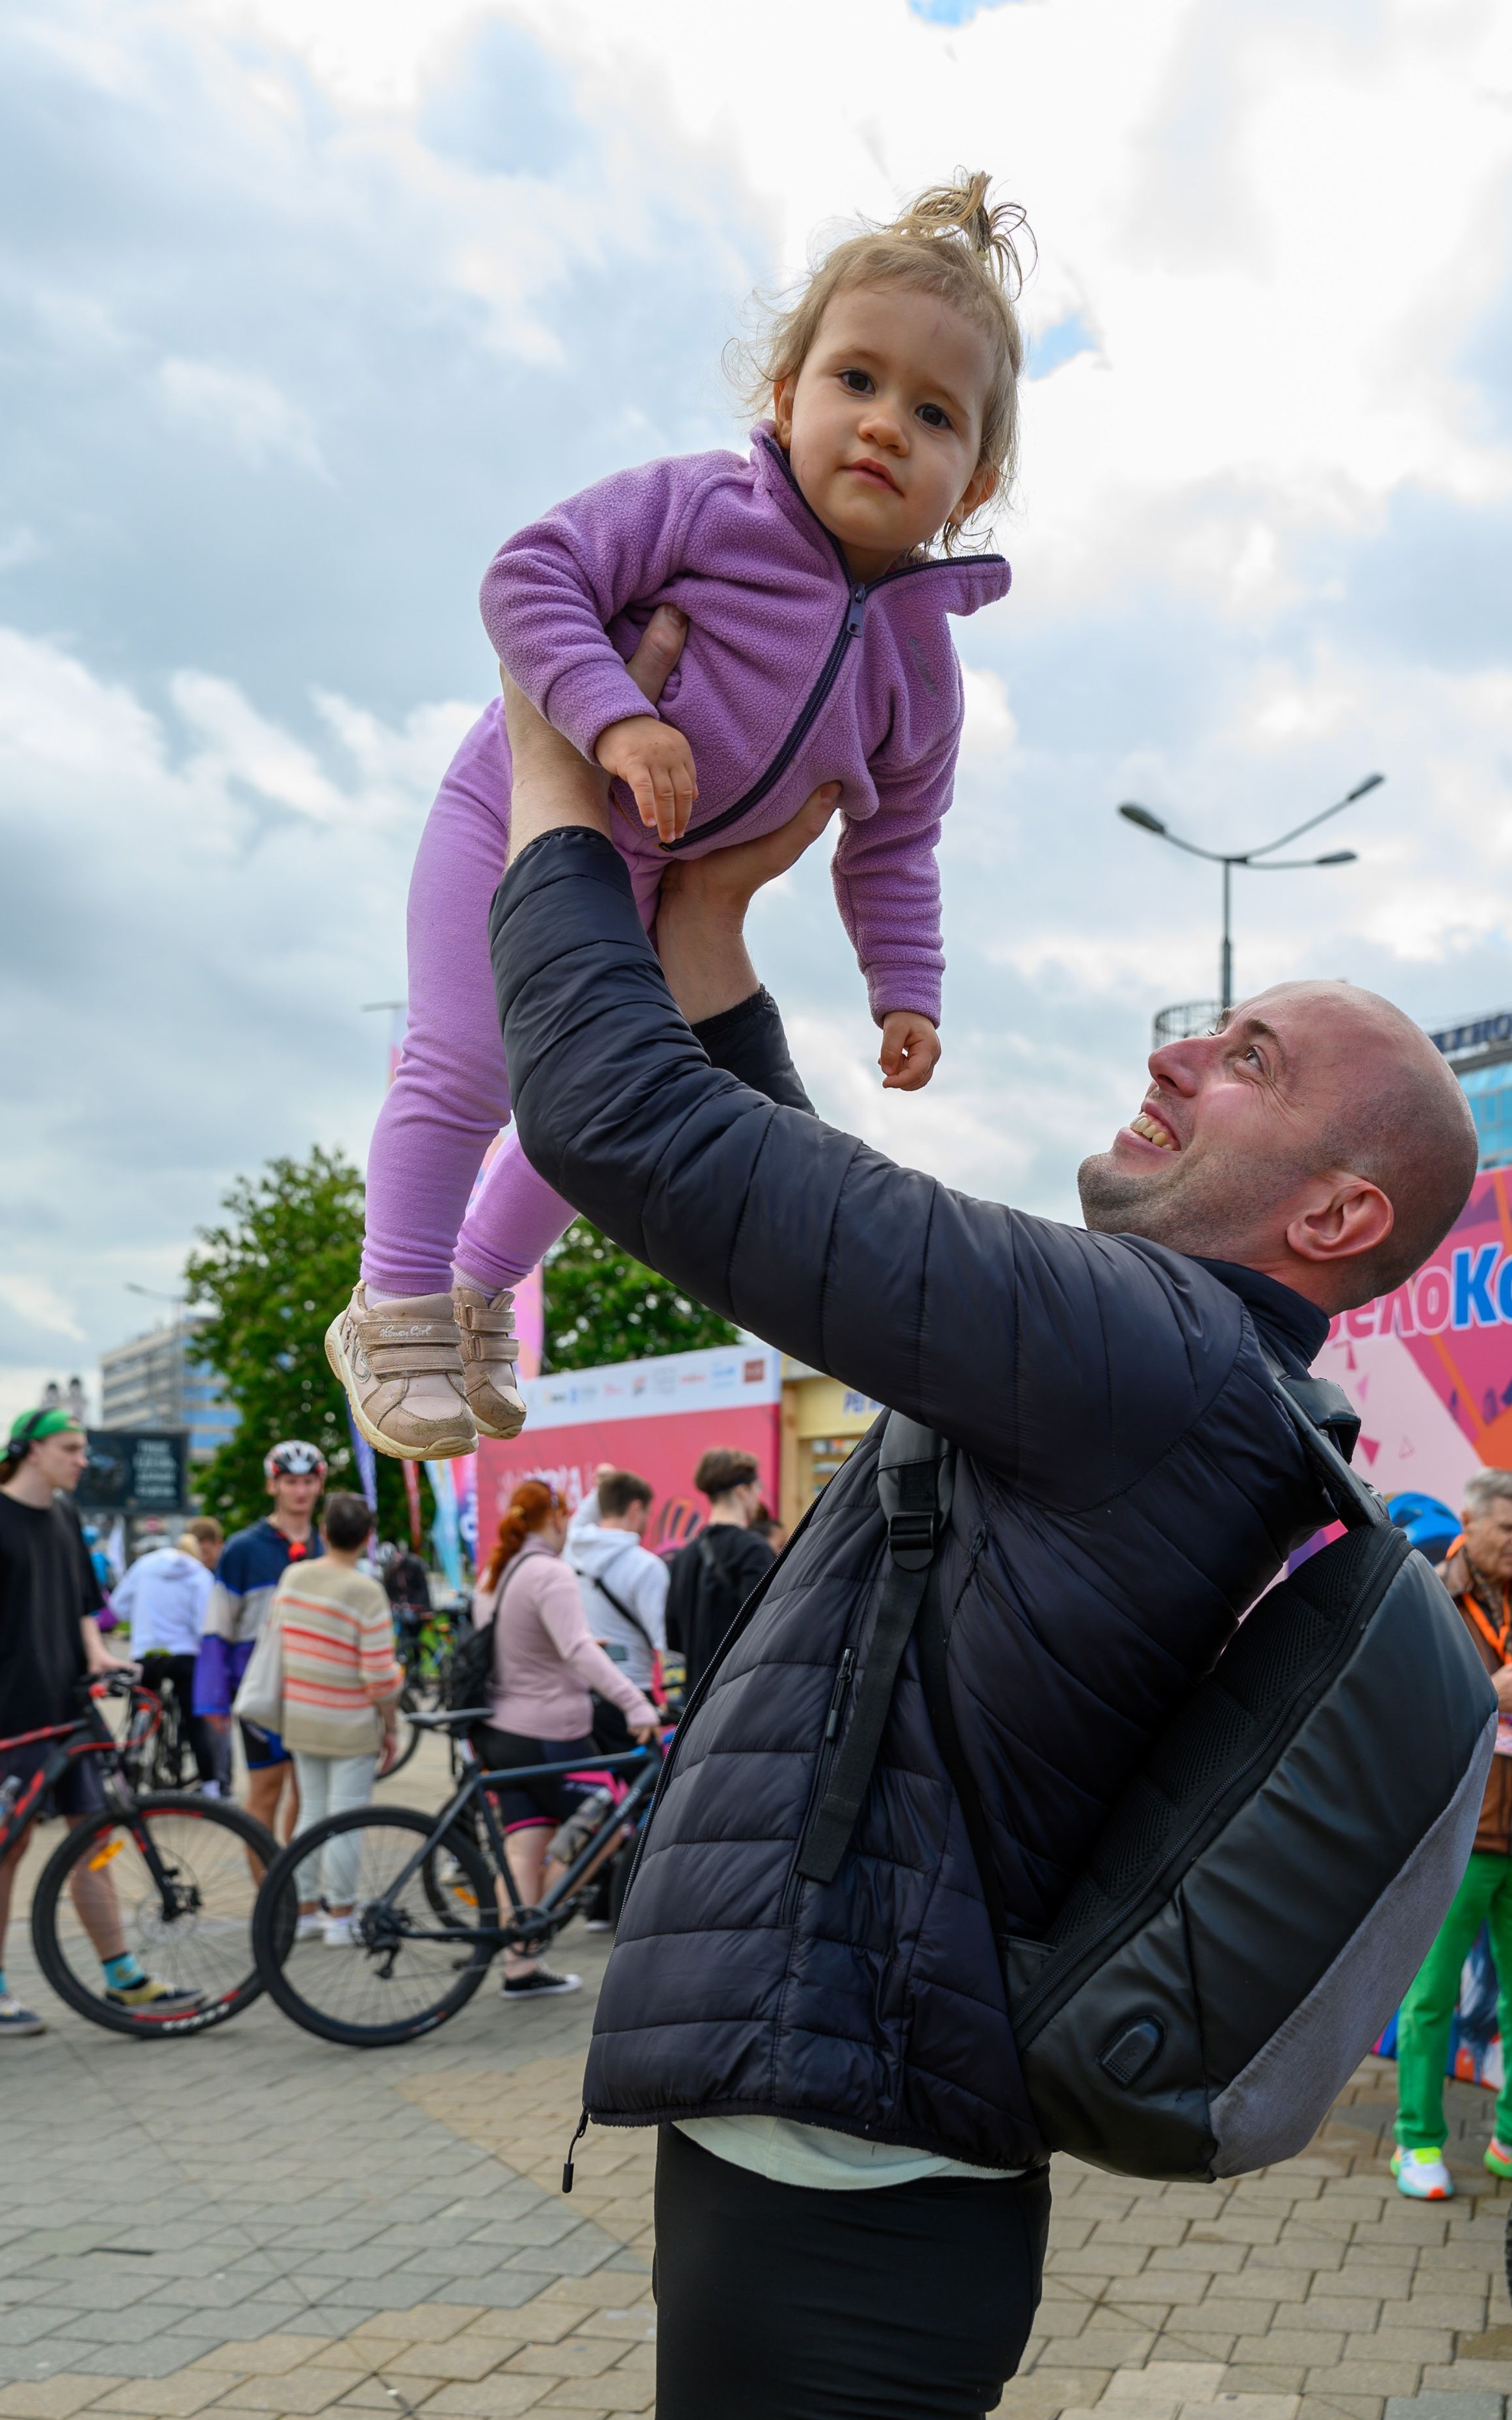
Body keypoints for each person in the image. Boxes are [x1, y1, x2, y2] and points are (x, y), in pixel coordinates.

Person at [489, 671, 1483, 2420]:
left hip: (851, 2164)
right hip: (863, 2143)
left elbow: (616, 1125)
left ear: (1336, 1221)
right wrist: (704, 926)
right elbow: (792, 1197)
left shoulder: (1151, 1352)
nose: (1179, 1051)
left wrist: (549, 775)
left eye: (1247, 1058)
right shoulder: (1184, 1374)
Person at [329, 171, 1030, 1469]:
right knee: (467, 1064)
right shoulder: (710, 508)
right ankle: (398, 1299)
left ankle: (483, 1291)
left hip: (650, 900)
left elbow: (895, 840)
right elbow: (530, 571)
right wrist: (611, 717)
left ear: (970, 479)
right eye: (855, 380)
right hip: (511, 818)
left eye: (931, 413)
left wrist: (904, 986)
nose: (883, 425)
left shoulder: (924, 673)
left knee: (595, 1105)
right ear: (784, 396)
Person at [0, 1406, 201, 2037]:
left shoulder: (65, 1517)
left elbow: (81, 1607)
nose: (83, 1459)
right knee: (5, 1850)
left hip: (70, 1713)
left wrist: (101, 1656)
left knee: (94, 1840)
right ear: (31, 1451)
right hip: (6, 1718)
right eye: (72, 1448)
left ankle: (122, 1974)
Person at [1391, 1467, 1512, 2197]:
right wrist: (1489, 1693)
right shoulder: (1429, 1601)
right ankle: (1415, 2141)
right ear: (1470, 1526)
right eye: (1507, 1528)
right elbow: (1402, 1715)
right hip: (1454, 1842)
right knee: (1430, 1996)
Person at [471, 1480, 660, 1999]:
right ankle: (535, 1925)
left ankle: (521, 1968)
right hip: (551, 1732)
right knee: (608, 1821)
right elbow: (577, 1649)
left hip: (499, 1730)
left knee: (524, 1847)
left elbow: (520, 1645)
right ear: (556, 1519)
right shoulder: (550, 1573)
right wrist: (635, 1703)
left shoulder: (495, 1571)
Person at [259, 1490, 403, 1947]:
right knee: (345, 1819)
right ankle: (340, 1916)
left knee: (310, 1817)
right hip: (350, 1723)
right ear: (366, 1537)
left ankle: (303, 1911)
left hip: (302, 1717)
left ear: (323, 1532)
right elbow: (380, 1677)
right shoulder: (366, 1590)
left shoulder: (293, 1576)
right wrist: (392, 1724)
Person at [194, 1441, 326, 1837]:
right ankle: (270, 1895)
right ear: (273, 1486)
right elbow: (217, 1628)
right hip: (261, 1689)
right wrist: (212, 1699)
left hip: (314, 1689)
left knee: (309, 1797)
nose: (299, 1491)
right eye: (290, 1482)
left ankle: (297, 1892)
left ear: (319, 1485)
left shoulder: (328, 1545)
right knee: (266, 1795)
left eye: (307, 1481)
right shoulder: (243, 1548)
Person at [103, 1518, 224, 1789]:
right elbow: (202, 1624)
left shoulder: (144, 1565)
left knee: (139, 1714)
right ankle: (212, 1787)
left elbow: (118, 1607)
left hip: (146, 1653)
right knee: (194, 1721)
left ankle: (124, 1779)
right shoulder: (200, 1574)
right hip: (184, 1655)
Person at [665, 1450, 776, 1700]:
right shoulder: (754, 1550)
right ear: (742, 1490)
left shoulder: (684, 1557)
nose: (758, 1498)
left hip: (696, 1701)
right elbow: (765, 1629)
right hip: (739, 1697)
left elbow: (674, 1640)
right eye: (756, 1488)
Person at [567, 1466, 668, 1684]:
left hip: (584, 1687)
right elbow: (664, 1641)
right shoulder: (647, 1567)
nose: (647, 1525)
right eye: (647, 1515)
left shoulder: (572, 1549)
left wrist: (601, 1489)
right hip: (633, 1686)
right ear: (635, 1509)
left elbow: (580, 1520)